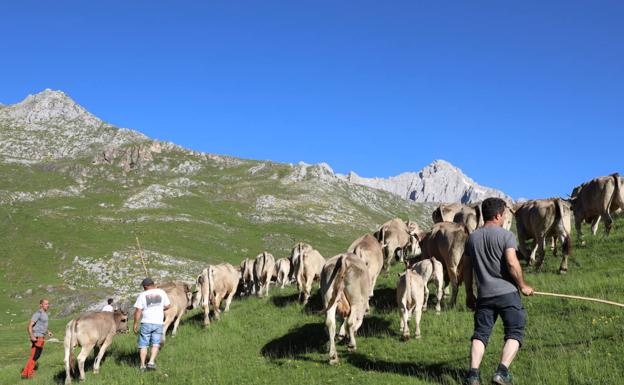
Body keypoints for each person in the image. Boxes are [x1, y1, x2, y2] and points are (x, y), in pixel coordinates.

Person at [463, 198, 534, 385]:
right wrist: (523, 285)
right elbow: (512, 262)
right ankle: (502, 372)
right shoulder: (506, 236)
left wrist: (469, 294)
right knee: (515, 332)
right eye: (503, 214)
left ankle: (473, 375)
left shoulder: (472, 238)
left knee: (481, 334)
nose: (504, 218)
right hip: (507, 293)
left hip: (484, 296)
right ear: (497, 215)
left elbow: (467, 269)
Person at [133, 278, 170, 371]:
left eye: (143, 287)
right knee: (156, 344)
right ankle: (151, 362)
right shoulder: (161, 292)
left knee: (143, 344)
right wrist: (160, 309)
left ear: (145, 286)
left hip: (146, 322)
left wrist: (135, 323)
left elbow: (138, 311)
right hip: (158, 323)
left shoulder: (142, 295)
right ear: (153, 284)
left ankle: (142, 365)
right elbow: (168, 305)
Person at [21, 299, 53, 379]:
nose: (47, 305)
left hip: (41, 337)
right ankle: (29, 374)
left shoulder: (45, 314)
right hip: (37, 337)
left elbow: (42, 325)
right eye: (45, 304)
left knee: (36, 356)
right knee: (34, 356)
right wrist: (32, 336)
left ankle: (25, 373)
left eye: (48, 304)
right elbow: (29, 326)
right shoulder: (37, 314)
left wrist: (48, 331)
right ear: (41, 305)